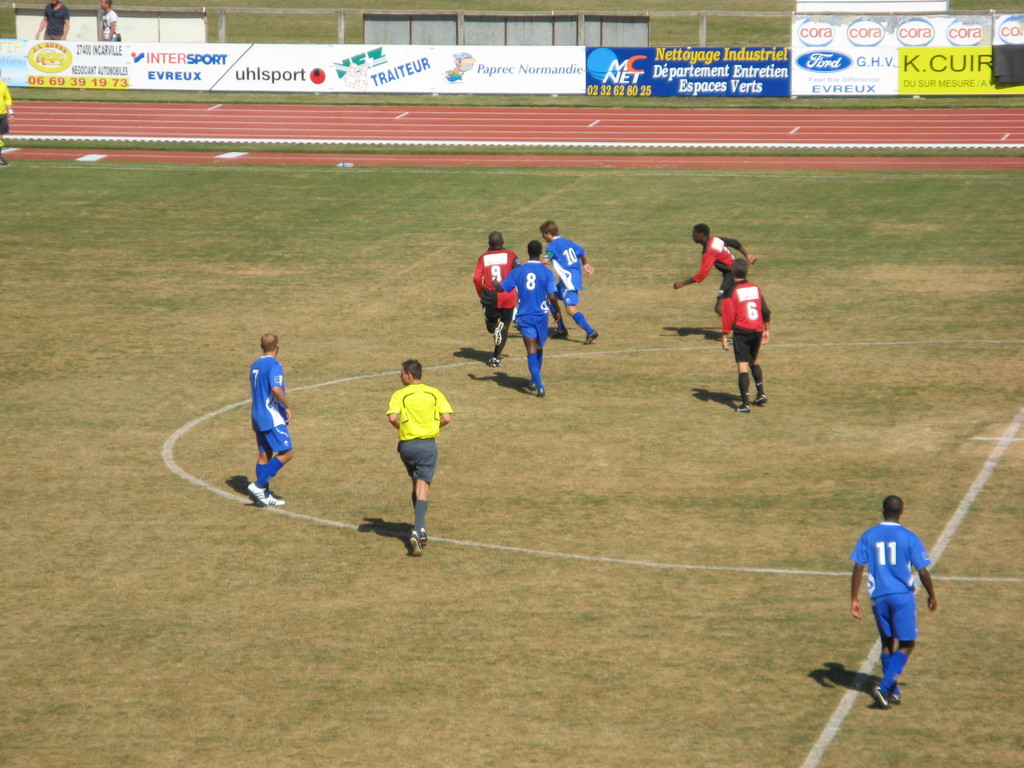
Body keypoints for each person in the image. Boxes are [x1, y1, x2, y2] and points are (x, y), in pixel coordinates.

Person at [850, 495, 938, 709]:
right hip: (901, 597)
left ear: (882, 512)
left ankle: (893, 692)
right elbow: (923, 571)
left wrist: (854, 599)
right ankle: (884, 686)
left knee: (887, 642)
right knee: (907, 643)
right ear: (902, 512)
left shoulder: (869, 535)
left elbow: (858, 567)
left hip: (878, 597)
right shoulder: (909, 537)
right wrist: (932, 594)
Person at [387, 359, 453, 556]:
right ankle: (418, 529)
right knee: (423, 487)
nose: (400, 376)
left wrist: (403, 428)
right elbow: (447, 417)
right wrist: (433, 428)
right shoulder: (434, 393)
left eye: (401, 373)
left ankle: (420, 525)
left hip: (406, 446)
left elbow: (392, 417)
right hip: (426, 445)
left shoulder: (400, 395)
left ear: (409, 374)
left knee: (416, 483)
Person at [496, 240, 560, 397]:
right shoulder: (547, 273)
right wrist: (557, 312)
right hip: (541, 316)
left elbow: (502, 288)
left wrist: (494, 283)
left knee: (530, 350)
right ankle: (534, 379)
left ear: (528, 251)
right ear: (540, 253)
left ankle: (539, 385)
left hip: (525, 316)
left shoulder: (518, 271)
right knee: (539, 348)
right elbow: (552, 296)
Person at [247, 333, 293, 507]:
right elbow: (275, 388)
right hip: (270, 415)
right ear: (277, 346)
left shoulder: (255, 365)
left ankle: (263, 496)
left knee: (264, 455)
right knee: (287, 452)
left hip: (256, 415)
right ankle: (259, 486)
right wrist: (286, 406)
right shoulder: (274, 365)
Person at [674, 223, 756, 317]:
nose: (692, 236)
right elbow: (734, 242)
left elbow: (701, 276)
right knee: (730, 304)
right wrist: (747, 255)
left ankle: (744, 325)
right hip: (736, 271)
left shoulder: (709, 252)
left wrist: (682, 283)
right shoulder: (715, 239)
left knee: (720, 308)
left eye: (694, 233)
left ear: (701, 234)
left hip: (731, 275)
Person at [720, 258, 769, 413]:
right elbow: (766, 311)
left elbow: (728, 315)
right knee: (753, 362)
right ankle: (761, 394)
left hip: (742, 332)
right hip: (757, 330)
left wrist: (724, 334)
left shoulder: (731, 290)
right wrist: (766, 329)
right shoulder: (755, 288)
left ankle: (745, 404)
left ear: (733, 271)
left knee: (742, 367)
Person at [539, 219, 599, 344]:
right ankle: (561, 329)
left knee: (570, 309)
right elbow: (582, 252)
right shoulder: (568, 242)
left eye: (543, 234)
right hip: (569, 278)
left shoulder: (552, 246)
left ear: (548, 233)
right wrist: (585, 264)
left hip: (568, 281)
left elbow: (545, 260)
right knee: (549, 298)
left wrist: (532, 266)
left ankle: (590, 331)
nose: (542, 237)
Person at [472, 231, 519, 368]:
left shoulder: (484, 257)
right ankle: (495, 357)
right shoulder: (511, 255)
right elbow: (519, 273)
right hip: (508, 294)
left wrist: (481, 292)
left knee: (491, 326)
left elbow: (476, 277)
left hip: (490, 296)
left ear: (489, 243)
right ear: (503, 241)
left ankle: (494, 329)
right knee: (505, 325)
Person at [0, 80, 11, 167]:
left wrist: (10, 112)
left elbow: (7, 99)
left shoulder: (3, 85)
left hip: (2, 115)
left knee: (0, 137)